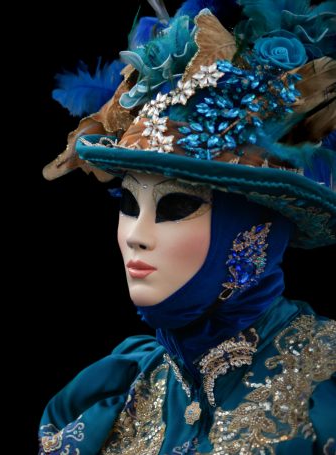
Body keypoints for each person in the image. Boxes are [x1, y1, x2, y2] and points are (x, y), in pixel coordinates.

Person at [39, 0, 336, 453]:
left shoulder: (325, 388)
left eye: (176, 205)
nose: (136, 235)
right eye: (128, 203)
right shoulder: (114, 392)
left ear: (253, 229)